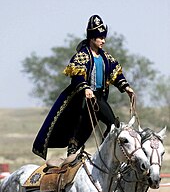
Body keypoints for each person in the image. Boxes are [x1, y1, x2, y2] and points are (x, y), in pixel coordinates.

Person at [32, 15, 135, 160]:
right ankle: (72, 156)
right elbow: (77, 77)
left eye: (104, 38)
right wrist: (86, 88)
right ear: (92, 38)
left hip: (98, 97)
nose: (103, 41)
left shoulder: (106, 58)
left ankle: (105, 153)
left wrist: (126, 88)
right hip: (82, 98)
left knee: (111, 124)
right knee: (85, 126)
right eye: (100, 38)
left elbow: (116, 74)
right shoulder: (82, 56)